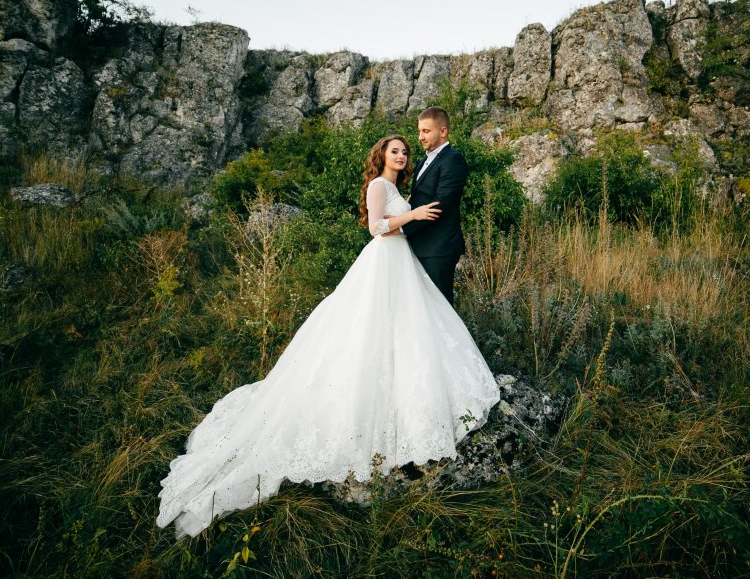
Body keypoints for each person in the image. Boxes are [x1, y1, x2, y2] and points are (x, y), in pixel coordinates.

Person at [155, 134, 500, 540]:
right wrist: (413, 215)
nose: (403, 156)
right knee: (366, 332)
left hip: (400, 263)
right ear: (381, 157)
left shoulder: (395, 187)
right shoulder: (377, 186)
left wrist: (413, 216)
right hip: (382, 262)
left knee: (406, 331)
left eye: (405, 151)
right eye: (395, 151)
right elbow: (376, 228)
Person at [402, 107, 468, 303]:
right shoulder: (423, 161)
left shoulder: (453, 160)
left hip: (439, 249)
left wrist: (401, 227)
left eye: (426, 131)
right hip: (419, 245)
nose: (420, 136)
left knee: (440, 307)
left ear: (443, 131)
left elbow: (439, 205)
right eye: (420, 131)